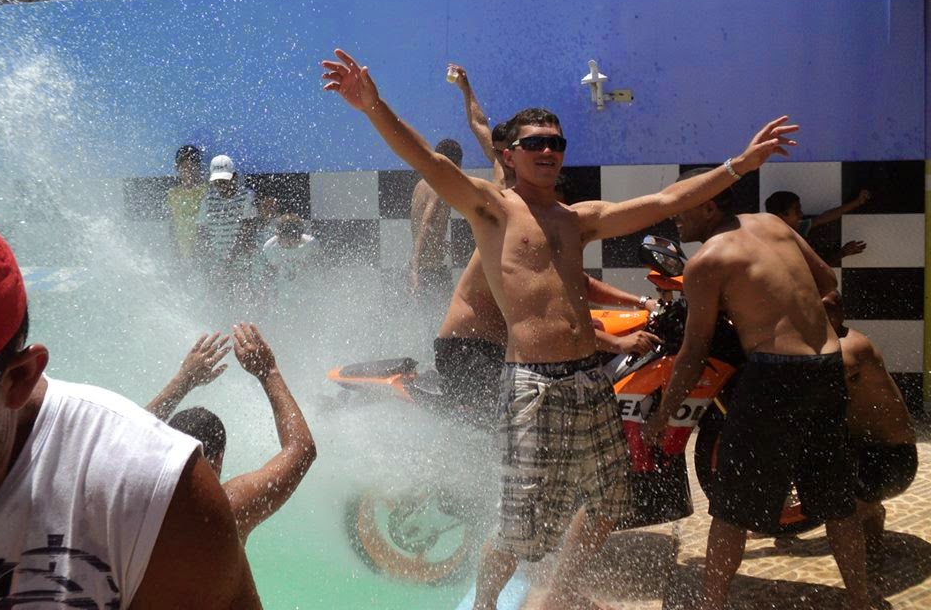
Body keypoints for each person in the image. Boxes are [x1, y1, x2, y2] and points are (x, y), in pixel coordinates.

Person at [321, 48, 795, 610]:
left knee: (610, 501)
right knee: (520, 528)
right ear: (510, 154)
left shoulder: (576, 219)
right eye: (536, 143)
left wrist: (740, 164)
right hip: (533, 385)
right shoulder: (493, 209)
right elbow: (428, 161)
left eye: (556, 142)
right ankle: (486, 605)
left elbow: (666, 200)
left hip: (589, 381)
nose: (548, 151)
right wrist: (373, 107)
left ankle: (560, 589)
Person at [0, 204, 261, 608]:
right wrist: (258, 376)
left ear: (19, 379)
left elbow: (112, 449)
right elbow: (300, 451)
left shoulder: (159, 502)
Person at [641, 170, 871, 610]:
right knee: (836, 500)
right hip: (825, 368)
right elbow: (827, 282)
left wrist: (662, 417)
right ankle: (860, 601)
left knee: (731, 507)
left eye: (681, 207)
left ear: (708, 205)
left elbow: (694, 351)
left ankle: (711, 605)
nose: (673, 216)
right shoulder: (772, 224)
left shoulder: (707, 260)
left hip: (774, 378)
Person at [436, 65, 657, 423]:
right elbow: (479, 125)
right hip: (468, 346)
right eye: (532, 145)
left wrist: (642, 302)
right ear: (511, 155)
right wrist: (465, 88)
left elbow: (574, 288)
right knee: (505, 430)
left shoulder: (539, 209)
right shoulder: (501, 206)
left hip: (502, 349)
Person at [146, 323, 316, 543]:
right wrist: (268, 372)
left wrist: (182, 381)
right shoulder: (227, 509)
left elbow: (130, 433)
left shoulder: (138, 498)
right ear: (218, 458)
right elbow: (302, 449)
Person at [822, 290, 918, 558]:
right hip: (869, 451)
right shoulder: (828, 343)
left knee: (849, 511)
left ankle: (871, 553)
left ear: (842, 313)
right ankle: (871, 526)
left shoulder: (851, 346)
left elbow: (818, 381)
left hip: (894, 458)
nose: (820, 314)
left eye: (827, 308)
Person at [409, 138, 463, 300]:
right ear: (452, 165)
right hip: (430, 270)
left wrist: (441, 244)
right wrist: (415, 269)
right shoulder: (438, 188)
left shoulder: (421, 184)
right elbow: (425, 224)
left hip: (424, 266)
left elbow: (423, 225)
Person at [195, 154, 258, 293]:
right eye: (217, 181)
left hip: (242, 263)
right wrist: (208, 261)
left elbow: (247, 231)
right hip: (217, 266)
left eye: (224, 180)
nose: (221, 185)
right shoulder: (207, 200)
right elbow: (202, 233)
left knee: (243, 300)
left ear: (234, 177)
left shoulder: (247, 196)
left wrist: (229, 260)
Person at [765, 188, 871, 261]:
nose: (801, 214)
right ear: (781, 216)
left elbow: (824, 217)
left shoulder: (796, 228)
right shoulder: (773, 244)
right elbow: (812, 270)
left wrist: (857, 202)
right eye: (796, 211)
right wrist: (843, 252)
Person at [167, 144, 207, 260]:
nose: (189, 171)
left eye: (192, 167)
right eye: (184, 167)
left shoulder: (206, 189)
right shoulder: (173, 194)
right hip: (181, 250)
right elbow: (173, 223)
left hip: (202, 249)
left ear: (199, 168)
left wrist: (202, 247)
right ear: (177, 168)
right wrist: (174, 248)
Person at [261, 212, 322, 286]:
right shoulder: (270, 248)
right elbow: (269, 273)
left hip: (305, 286)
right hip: (282, 288)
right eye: (287, 240)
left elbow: (318, 266)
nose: (290, 244)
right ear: (278, 236)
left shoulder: (311, 244)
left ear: (300, 237)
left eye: (294, 240)